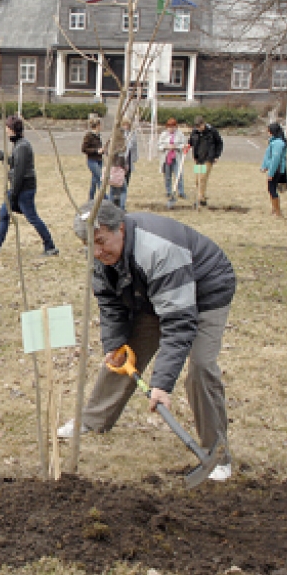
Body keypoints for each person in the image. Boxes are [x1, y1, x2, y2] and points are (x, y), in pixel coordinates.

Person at [59, 202, 236, 481]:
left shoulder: (157, 250)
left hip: (206, 289)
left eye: (101, 242)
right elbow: (109, 301)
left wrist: (162, 384)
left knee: (201, 368)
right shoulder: (100, 254)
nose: (96, 252)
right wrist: (114, 343)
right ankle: (94, 419)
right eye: (88, 244)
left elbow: (178, 323)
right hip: (155, 290)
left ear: (120, 228)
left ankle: (217, 455)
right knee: (123, 353)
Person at [0, 115, 58, 256]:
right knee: (4, 214)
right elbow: (16, 162)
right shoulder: (19, 144)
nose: (6, 131)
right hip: (18, 188)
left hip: (24, 189)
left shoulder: (22, 146)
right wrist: (5, 157)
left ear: (13, 130)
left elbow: (20, 172)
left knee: (32, 217)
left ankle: (50, 247)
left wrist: (14, 193)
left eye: (7, 128)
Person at [189, 115, 224, 206]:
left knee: (202, 178)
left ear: (203, 124)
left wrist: (216, 155)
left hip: (208, 158)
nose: (199, 129)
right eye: (197, 127)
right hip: (198, 159)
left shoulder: (212, 131)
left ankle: (199, 198)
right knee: (197, 180)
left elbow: (219, 143)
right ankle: (203, 198)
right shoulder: (195, 132)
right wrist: (188, 146)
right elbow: (191, 142)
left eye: (200, 126)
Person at [260, 122, 287, 217]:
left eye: (268, 131)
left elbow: (275, 159)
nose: (267, 133)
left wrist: (271, 173)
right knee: (271, 189)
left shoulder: (278, 143)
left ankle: (277, 211)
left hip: (276, 169)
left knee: (272, 189)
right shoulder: (274, 141)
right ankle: (274, 209)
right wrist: (265, 166)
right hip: (275, 169)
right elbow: (269, 156)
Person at [158, 118, 187, 208]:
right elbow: (159, 146)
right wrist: (166, 147)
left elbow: (184, 145)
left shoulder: (180, 134)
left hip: (176, 158)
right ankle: (169, 191)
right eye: (169, 127)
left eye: (173, 127)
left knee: (179, 175)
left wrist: (176, 147)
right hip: (167, 158)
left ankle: (181, 192)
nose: (171, 129)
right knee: (167, 176)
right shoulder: (163, 135)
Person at [82, 115, 104, 201]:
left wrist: (103, 150)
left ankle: (90, 199)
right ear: (97, 126)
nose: (101, 127)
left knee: (94, 180)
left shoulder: (98, 136)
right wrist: (96, 151)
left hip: (99, 160)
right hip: (92, 161)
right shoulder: (89, 136)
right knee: (99, 178)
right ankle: (105, 198)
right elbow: (84, 149)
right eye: (100, 125)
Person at [119, 117, 139, 207]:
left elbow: (134, 146)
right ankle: (120, 197)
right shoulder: (119, 134)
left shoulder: (132, 134)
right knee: (120, 178)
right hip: (121, 159)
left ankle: (123, 194)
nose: (126, 127)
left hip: (129, 158)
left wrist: (134, 158)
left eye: (127, 125)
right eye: (124, 125)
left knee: (127, 176)